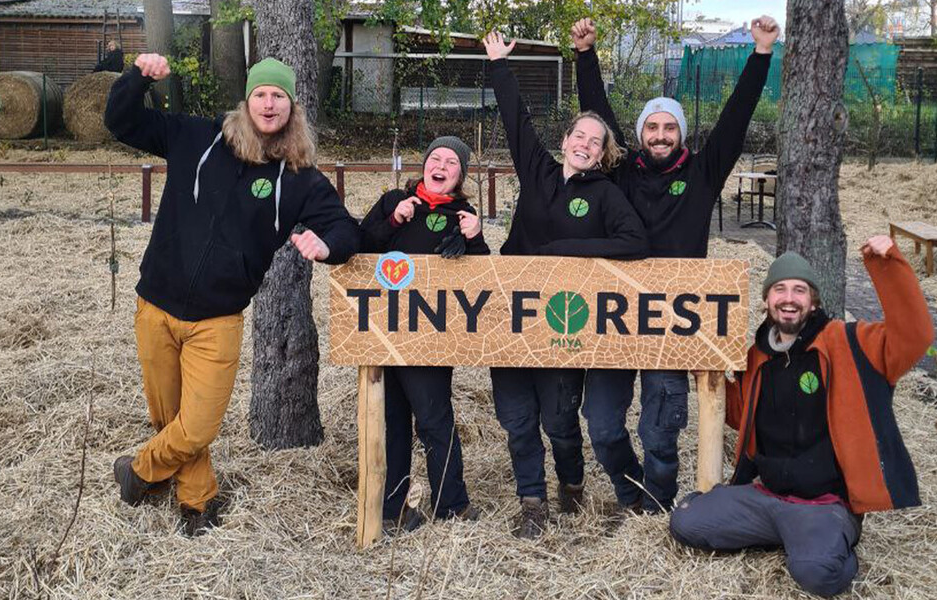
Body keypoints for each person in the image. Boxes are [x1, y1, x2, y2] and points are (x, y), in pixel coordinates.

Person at [105, 54, 360, 537]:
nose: (268, 104)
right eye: (260, 94)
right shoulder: (197, 139)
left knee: (196, 426)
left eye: (278, 96)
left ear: (292, 108)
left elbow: (346, 229)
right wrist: (137, 78)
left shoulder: (299, 177)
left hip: (218, 320)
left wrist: (327, 245)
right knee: (170, 419)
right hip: (155, 305)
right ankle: (198, 505)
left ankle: (137, 470)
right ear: (247, 101)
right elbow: (121, 122)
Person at [569, 15, 780, 514]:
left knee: (661, 426)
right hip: (614, 316)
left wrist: (762, 53)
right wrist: (585, 55)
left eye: (669, 127)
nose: (660, 135)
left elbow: (736, 119)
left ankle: (657, 504)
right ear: (641, 134)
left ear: (680, 134)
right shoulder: (621, 172)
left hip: (671, 318)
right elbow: (597, 111)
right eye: (652, 127)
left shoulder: (703, 173)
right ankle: (630, 491)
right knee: (601, 422)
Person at [667, 236, 934, 597]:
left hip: (824, 503)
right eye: (779, 289)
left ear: (813, 302)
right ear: (767, 300)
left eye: (799, 290)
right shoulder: (757, 357)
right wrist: (706, 373)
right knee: (685, 521)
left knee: (817, 575)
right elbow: (740, 414)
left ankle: (827, 542)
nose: (788, 298)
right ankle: (786, 535)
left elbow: (913, 338)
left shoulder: (850, 343)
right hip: (767, 495)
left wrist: (888, 267)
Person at [482, 31, 648, 538]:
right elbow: (516, 120)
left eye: (595, 142)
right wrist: (497, 66)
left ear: (602, 155)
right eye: (579, 136)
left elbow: (634, 242)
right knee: (516, 419)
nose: (585, 145)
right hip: (512, 314)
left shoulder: (605, 196)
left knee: (558, 421)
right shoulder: (539, 174)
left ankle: (571, 484)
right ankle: (532, 501)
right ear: (566, 142)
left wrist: (564, 252)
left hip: (564, 320)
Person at [360, 136, 491, 532]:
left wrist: (475, 238)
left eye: (451, 162)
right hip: (384, 328)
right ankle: (393, 508)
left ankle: (451, 504)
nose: (441, 165)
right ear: (424, 166)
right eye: (436, 157)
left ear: (460, 176)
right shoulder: (393, 202)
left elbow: (481, 278)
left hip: (430, 335)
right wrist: (393, 220)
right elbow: (359, 246)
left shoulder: (463, 214)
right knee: (393, 421)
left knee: (434, 419)